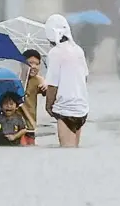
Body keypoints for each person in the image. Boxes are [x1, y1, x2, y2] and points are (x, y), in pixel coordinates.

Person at [44, 14, 89, 148]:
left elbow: (52, 85)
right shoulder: (78, 50)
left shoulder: (54, 53)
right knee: (75, 152)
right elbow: (84, 77)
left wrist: (48, 105)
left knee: (66, 152)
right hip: (82, 109)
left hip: (65, 110)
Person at [18, 49, 47, 145]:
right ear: (22, 64)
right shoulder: (15, 79)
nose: (34, 66)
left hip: (30, 125)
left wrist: (45, 85)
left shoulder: (38, 80)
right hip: (15, 126)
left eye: (37, 64)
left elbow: (46, 90)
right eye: (30, 63)